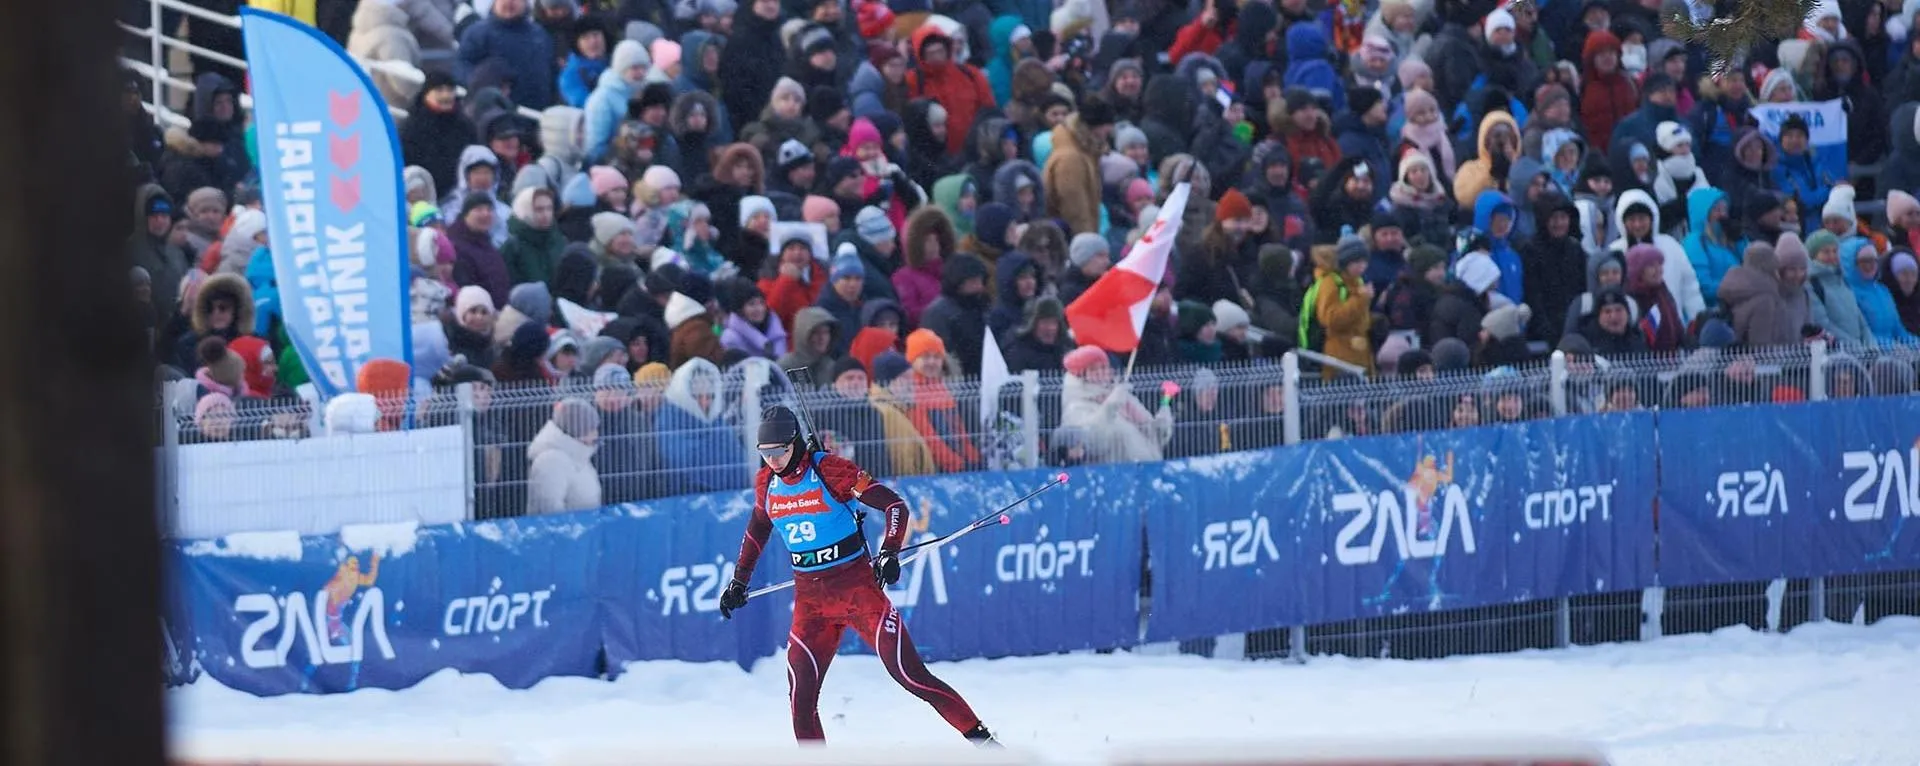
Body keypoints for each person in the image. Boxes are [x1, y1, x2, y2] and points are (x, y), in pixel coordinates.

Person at [716, 405, 999, 746]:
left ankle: (985, 744)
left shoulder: (829, 470)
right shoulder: (767, 483)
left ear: (796, 443)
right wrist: (739, 581)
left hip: (858, 595)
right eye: (766, 454)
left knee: (911, 675)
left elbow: (895, 506)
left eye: (780, 451)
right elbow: (757, 529)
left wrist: (890, 552)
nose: (773, 461)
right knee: (800, 704)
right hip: (811, 608)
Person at [526, 397, 601, 515]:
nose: (596, 434)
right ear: (578, 430)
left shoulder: (579, 456)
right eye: (591, 429)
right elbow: (550, 510)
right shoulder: (550, 461)